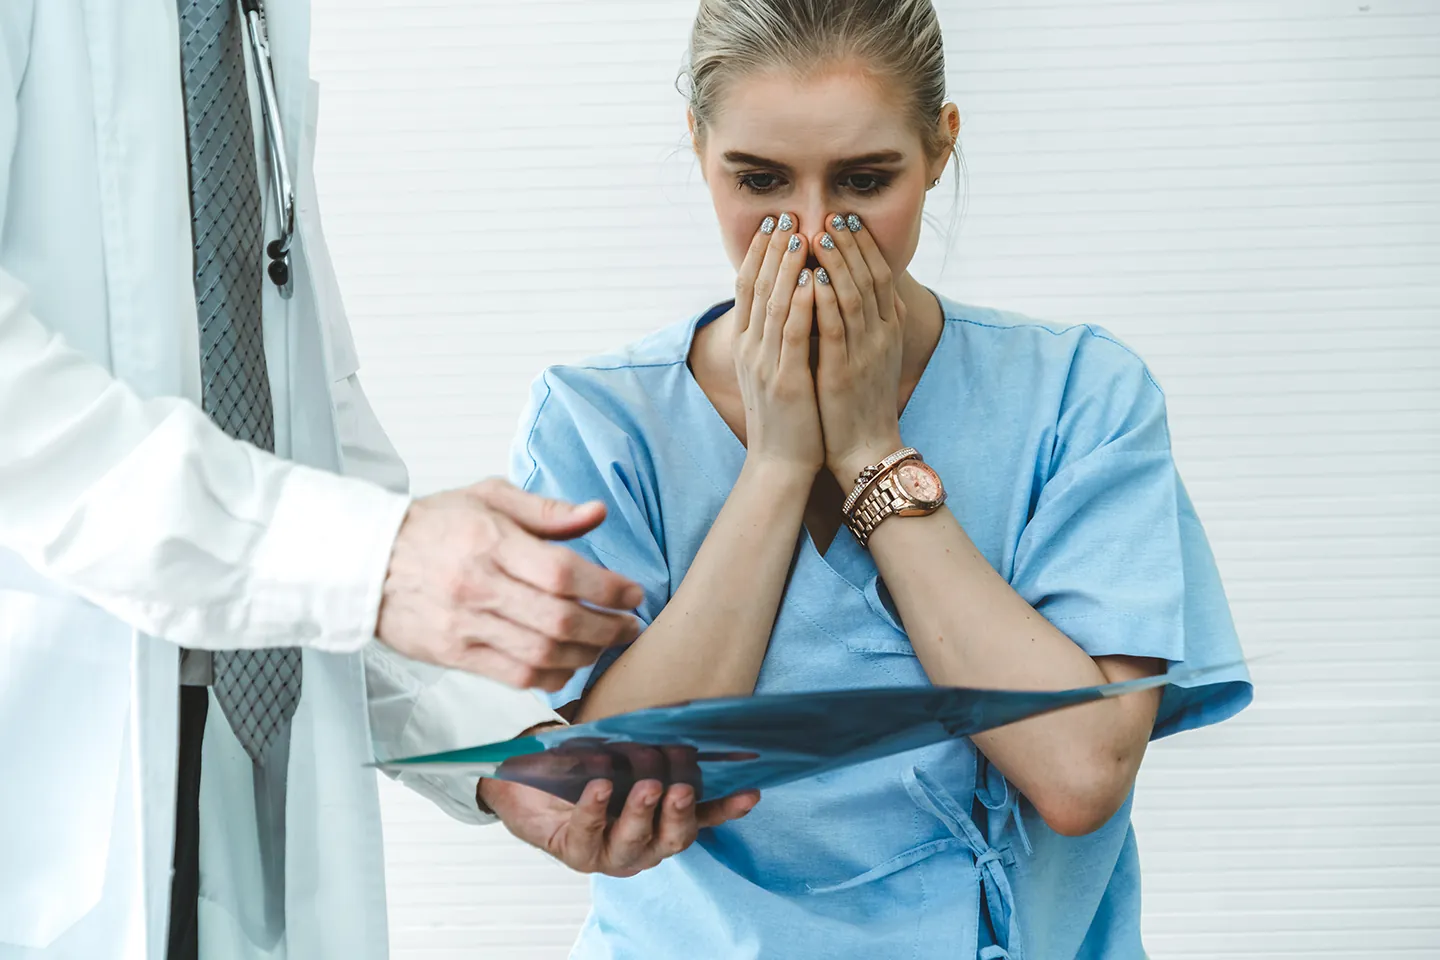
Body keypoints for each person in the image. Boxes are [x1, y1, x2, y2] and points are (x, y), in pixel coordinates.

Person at [0, 3, 754, 959]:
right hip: (52, 770)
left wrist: (505, 751)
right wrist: (374, 563)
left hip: (236, 768)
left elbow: (293, 416)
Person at [509, 0, 1253, 956]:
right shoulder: (596, 421)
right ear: (698, 146)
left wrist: (868, 449)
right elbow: (623, 781)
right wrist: (779, 464)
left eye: (864, 180)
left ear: (939, 149)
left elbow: (1078, 772)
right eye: (760, 180)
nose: (814, 233)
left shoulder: (1082, 395)